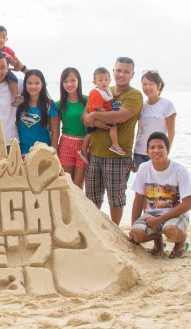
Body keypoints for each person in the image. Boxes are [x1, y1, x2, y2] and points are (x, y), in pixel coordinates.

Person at [83, 57, 143, 225]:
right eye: (118, 70)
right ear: (113, 71)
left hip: (118, 156)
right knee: (92, 196)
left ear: (132, 75)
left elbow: (120, 116)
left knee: (115, 199)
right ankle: (96, 230)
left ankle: (115, 230)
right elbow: (85, 116)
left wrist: (95, 116)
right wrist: (92, 117)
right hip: (95, 153)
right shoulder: (103, 90)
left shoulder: (134, 95)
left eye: (126, 71)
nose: (121, 74)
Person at [128, 132, 191, 258]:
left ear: (167, 150)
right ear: (147, 152)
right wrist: (132, 228)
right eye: (152, 147)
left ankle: (181, 242)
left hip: (176, 213)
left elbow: (188, 204)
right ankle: (158, 241)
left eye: (160, 147)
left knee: (171, 231)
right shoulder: (143, 168)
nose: (156, 151)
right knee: (136, 234)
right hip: (152, 214)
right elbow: (138, 199)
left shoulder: (179, 170)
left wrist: (160, 220)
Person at [133, 70, 176, 170]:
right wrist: (133, 153)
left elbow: (171, 132)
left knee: (156, 184)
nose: (147, 87)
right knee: (142, 185)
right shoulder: (141, 105)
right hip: (139, 152)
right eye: (144, 84)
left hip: (157, 152)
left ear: (159, 85)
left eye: (151, 84)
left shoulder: (167, 104)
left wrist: (166, 151)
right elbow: (139, 130)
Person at [80, 67, 125, 163]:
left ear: (110, 81)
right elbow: (98, 108)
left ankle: (83, 150)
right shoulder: (96, 93)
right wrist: (110, 116)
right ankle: (115, 145)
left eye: (106, 80)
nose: (103, 82)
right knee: (113, 126)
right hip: (98, 116)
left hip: (99, 115)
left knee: (90, 133)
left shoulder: (106, 91)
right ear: (94, 82)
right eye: (100, 80)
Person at [54, 67, 88, 189]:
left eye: (73, 80)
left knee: (78, 186)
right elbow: (55, 131)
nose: (69, 84)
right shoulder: (58, 105)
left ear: (78, 81)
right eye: (65, 81)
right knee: (66, 185)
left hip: (84, 145)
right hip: (66, 144)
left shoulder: (87, 101)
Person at [16, 69, 59, 156]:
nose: (33, 86)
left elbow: (55, 131)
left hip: (43, 154)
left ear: (42, 84)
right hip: (22, 153)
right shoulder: (19, 103)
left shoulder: (49, 105)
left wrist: (53, 154)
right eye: (29, 83)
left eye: (37, 83)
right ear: (25, 84)